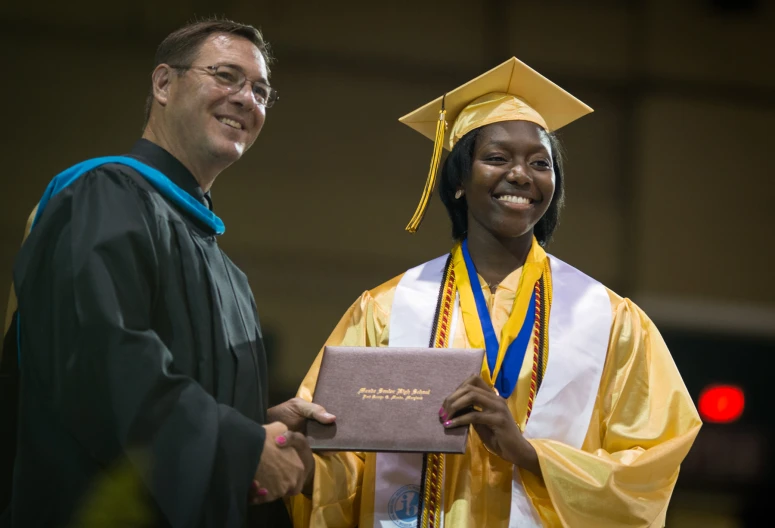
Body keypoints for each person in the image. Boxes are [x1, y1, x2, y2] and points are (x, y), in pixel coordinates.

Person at [289, 57, 702, 527]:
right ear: (459, 180)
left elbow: (650, 468)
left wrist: (527, 452)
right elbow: (342, 461)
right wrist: (292, 459)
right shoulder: (387, 308)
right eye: (498, 158)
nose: (521, 175)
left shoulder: (610, 321)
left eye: (540, 163)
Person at [3, 18, 334, 528]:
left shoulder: (230, 276)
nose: (247, 99)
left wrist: (259, 424)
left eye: (262, 90)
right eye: (226, 76)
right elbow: (103, 362)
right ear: (163, 84)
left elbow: (178, 398)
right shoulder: (102, 195)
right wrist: (240, 444)